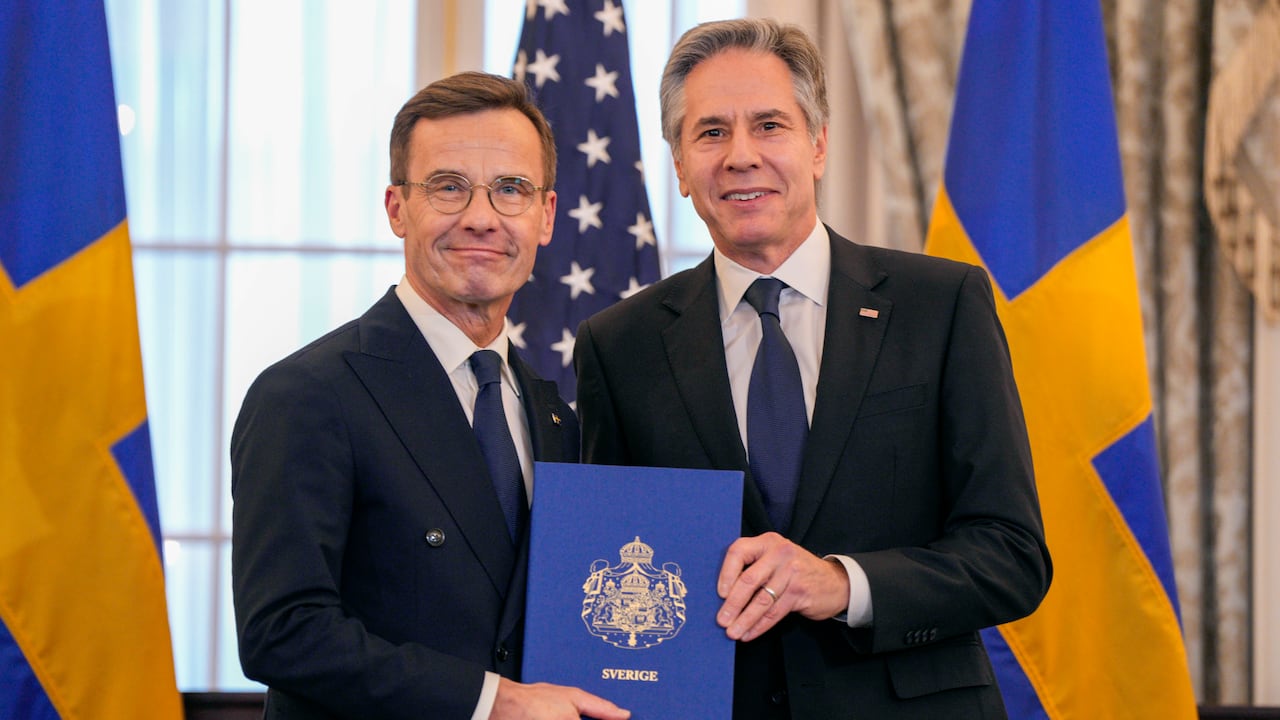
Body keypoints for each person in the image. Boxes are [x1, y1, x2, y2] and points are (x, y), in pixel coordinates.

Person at [573, 19, 1052, 719]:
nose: (740, 156)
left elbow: (1012, 555)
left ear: (818, 144)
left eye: (769, 125)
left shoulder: (942, 306)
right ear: (678, 165)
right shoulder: (620, 345)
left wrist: (842, 582)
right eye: (710, 133)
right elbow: (608, 564)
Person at [231, 72, 630, 720]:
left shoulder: (557, 415)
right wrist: (491, 702)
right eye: (448, 187)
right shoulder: (307, 395)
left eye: (511, 190)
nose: (481, 217)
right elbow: (283, 633)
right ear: (397, 208)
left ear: (546, 216)